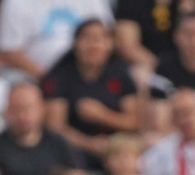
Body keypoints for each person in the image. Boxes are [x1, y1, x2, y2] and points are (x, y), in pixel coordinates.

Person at [42, 19, 141, 165]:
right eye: (86, 39)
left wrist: (103, 115)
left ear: (110, 44)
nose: (93, 46)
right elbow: (55, 127)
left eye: (99, 39)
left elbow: (135, 122)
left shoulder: (121, 73)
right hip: (73, 150)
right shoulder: (59, 75)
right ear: (75, 44)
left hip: (116, 149)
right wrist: (89, 144)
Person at [0, 0, 113, 80]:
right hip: (36, 79)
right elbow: (8, 51)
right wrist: (50, 80)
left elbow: (108, 35)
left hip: (92, 76)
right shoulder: (16, 2)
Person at [114, 0, 195, 69]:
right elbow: (127, 47)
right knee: (140, 74)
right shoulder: (130, 3)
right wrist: (161, 68)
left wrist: (187, 11)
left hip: (185, 61)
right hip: (148, 64)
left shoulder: (188, 3)